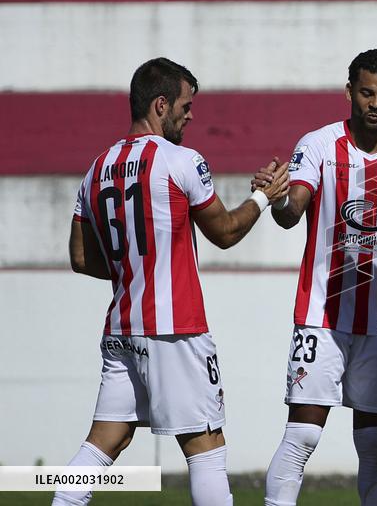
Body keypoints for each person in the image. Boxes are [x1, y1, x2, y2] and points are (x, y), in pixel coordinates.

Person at [57, 57, 289, 506]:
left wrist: (135, 267)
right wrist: (263, 197)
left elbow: (81, 257)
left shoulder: (97, 167)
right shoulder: (182, 160)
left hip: (123, 330)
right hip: (175, 329)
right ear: (160, 105)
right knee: (206, 448)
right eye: (186, 104)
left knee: (104, 441)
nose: (192, 114)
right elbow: (224, 233)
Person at [262, 50, 377, 506]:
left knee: (374, 444)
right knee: (302, 436)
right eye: (367, 93)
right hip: (322, 315)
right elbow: (291, 212)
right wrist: (276, 198)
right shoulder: (318, 144)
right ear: (349, 91)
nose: (375, 104)